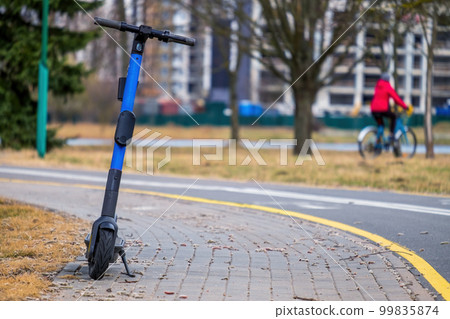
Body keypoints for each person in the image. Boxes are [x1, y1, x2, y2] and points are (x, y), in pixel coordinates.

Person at [370, 73, 408, 145]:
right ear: (388, 80)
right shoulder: (387, 86)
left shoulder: (377, 86)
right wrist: (405, 106)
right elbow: (396, 99)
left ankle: (378, 141)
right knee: (394, 117)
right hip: (382, 109)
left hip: (373, 110)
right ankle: (391, 135)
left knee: (381, 124)